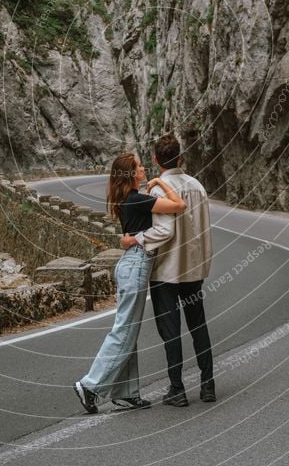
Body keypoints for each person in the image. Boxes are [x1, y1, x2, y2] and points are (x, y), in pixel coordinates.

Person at [73, 152, 185, 413]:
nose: (143, 168)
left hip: (131, 264)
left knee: (128, 331)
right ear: (131, 174)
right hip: (135, 265)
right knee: (124, 330)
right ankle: (90, 385)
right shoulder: (138, 200)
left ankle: (126, 393)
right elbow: (178, 205)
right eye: (138, 167)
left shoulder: (129, 199)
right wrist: (161, 182)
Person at [121, 133, 215, 406]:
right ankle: (207, 385)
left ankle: (177, 388)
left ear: (155, 160)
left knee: (170, 330)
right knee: (198, 324)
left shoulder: (157, 191)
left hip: (166, 270)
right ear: (181, 157)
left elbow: (164, 230)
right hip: (193, 270)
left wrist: (135, 239)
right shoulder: (197, 186)